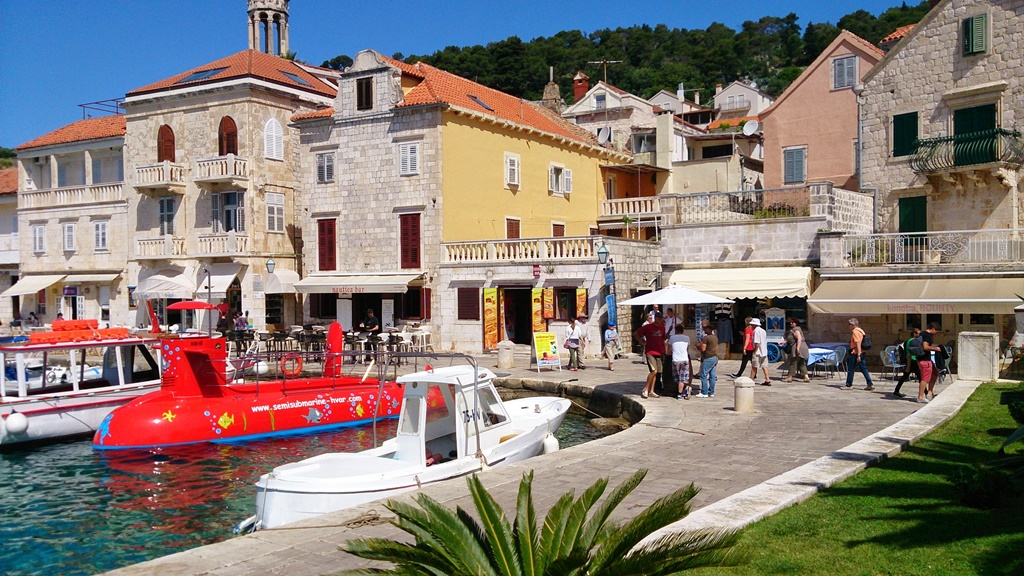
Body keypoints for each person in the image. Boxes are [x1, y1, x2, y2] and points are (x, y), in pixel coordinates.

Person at [634, 312, 665, 398]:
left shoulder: (662, 328)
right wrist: (641, 342)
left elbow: (662, 338)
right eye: (659, 320)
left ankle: (652, 390)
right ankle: (645, 388)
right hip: (650, 352)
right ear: (656, 319)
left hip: (659, 352)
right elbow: (636, 333)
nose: (660, 322)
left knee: (657, 372)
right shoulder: (648, 327)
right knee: (653, 371)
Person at [845, 318, 875, 391]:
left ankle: (849, 385)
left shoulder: (855, 332)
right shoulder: (861, 331)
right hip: (861, 352)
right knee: (863, 368)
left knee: (851, 368)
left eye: (849, 324)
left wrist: (858, 355)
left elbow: (858, 343)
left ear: (853, 325)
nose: (849, 326)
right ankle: (870, 383)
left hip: (855, 352)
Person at [917, 322, 943, 402]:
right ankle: (920, 397)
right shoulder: (927, 336)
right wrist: (936, 349)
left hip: (922, 359)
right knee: (925, 378)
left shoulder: (922, 334)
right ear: (933, 329)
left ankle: (930, 392)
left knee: (934, 373)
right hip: (924, 360)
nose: (936, 333)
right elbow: (925, 347)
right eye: (936, 331)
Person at [893, 327, 921, 399]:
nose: (919, 335)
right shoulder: (912, 341)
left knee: (905, 376)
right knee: (920, 377)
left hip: (911, 360)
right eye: (918, 333)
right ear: (914, 334)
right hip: (912, 360)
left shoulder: (908, 340)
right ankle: (926, 392)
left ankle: (896, 390)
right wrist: (909, 364)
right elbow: (909, 353)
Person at [668, 324, 692, 399]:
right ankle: (683, 391)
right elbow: (687, 349)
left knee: (677, 378)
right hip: (684, 359)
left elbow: (669, 350)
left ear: (676, 331)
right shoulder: (687, 338)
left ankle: (680, 393)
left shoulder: (672, 338)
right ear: (683, 331)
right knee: (683, 377)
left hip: (675, 359)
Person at [783, 318, 811, 383]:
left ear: (796, 323)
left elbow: (799, 339)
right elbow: (792, 339)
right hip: (802, 346)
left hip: (798, 346)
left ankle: (789, 377)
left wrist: (797, 348)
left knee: (793, 361)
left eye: (792, 322)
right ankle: (806, 377)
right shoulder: (795, 329)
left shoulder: (796, 330)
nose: (790, 323)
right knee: (801, 362)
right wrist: (785, 341)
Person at [696, 319, 718, 398]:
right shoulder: (715, 337)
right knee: (712, 375)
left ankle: (704, 392)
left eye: (705, 329)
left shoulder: (706, 338)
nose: (704, 330)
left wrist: (698, 347)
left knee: (703, 375)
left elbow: (703, 349)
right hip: (715, 357)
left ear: (708, 329)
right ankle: (711, 392)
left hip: (708, 357)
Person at [750, 318, 772, 386]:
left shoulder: (756, 331)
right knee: (764, 366)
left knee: (754, 366)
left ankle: (751, 379)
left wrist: (755, 351)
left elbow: (757, 342)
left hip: (758, 352)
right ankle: (767, 379)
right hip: (764, 351)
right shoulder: (763, 331)